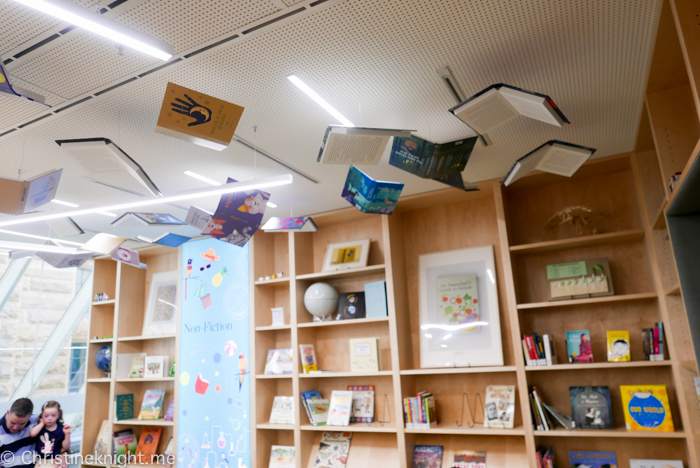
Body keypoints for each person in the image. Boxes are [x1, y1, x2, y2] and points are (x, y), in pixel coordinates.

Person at [0, 398, 39, 468]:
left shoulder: (37, 422)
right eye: (12, 422)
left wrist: (63, 454)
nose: (15, 428)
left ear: (29, 416)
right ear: (8, 413)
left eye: (22, 424)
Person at [30, 402, 70, 467]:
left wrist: (67, 434)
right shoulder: (40, 427)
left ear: (58, 415)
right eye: (46, 416)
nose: (49, 418)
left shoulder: (61, 429)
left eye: (53, 415)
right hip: (41, 460)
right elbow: (32, 434)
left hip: (55, 460)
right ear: (41, 415)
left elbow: (66, 447)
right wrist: (42, 423)